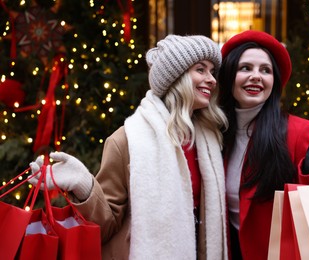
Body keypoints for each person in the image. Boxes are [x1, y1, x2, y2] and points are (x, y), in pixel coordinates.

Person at [29, 34, 229, 259]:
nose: (211, 79)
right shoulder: (127, 140)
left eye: (212, 71)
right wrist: (84, 185)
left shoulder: (210, 140)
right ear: (177, 78)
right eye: (201, 70)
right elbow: (105, 226)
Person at [218, 30, 309, 259]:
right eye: (245, 68)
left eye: (265, 70)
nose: (256, 76)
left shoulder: (300, 131)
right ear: (228, 76)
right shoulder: (214, 133)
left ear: (273, 81)